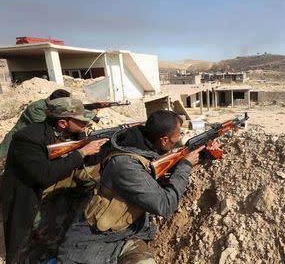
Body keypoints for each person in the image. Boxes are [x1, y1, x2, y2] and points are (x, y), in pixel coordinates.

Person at [57, 110, 204, 263]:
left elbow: (161, 170)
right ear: (164, 140)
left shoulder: (142, 147)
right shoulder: (125, 164)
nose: (179, 138)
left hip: (128, 236)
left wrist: (201, 155)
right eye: (178, 136)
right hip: (91, 245)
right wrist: (185, 165)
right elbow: (165, 205)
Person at [0, 97, 108, 264]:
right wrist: (81, 153)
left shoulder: (73, 132)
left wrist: (100, 146)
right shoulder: (27, 138)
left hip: (56, 195)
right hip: (27, 196)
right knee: (23, 249)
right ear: (63, 123)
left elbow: (89, 162)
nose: (85, 124)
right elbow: (44, 174)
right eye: (80, 121)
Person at [0, 89, 71, 159]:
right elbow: (47, 127)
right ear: (57, 102)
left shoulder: (52, 107)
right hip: (13, 142)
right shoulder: (38, 107)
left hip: (27, 142)